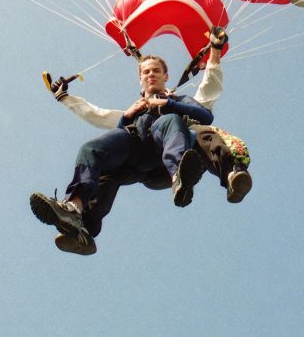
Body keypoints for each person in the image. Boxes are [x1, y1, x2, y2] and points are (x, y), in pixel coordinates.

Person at [30, 27, 249, 255]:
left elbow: (208, 98)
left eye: (156, 71)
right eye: (146, 72)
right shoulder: (134, 111)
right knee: (93, 152)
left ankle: (191, 178)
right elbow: (96, 115)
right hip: (134, 160)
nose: (151, 74)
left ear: (166, 77)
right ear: (140, 79)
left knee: (176, 123)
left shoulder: (180, 101)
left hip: (166, 165)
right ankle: (77, 217)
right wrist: (67, 98)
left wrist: (214, 51)